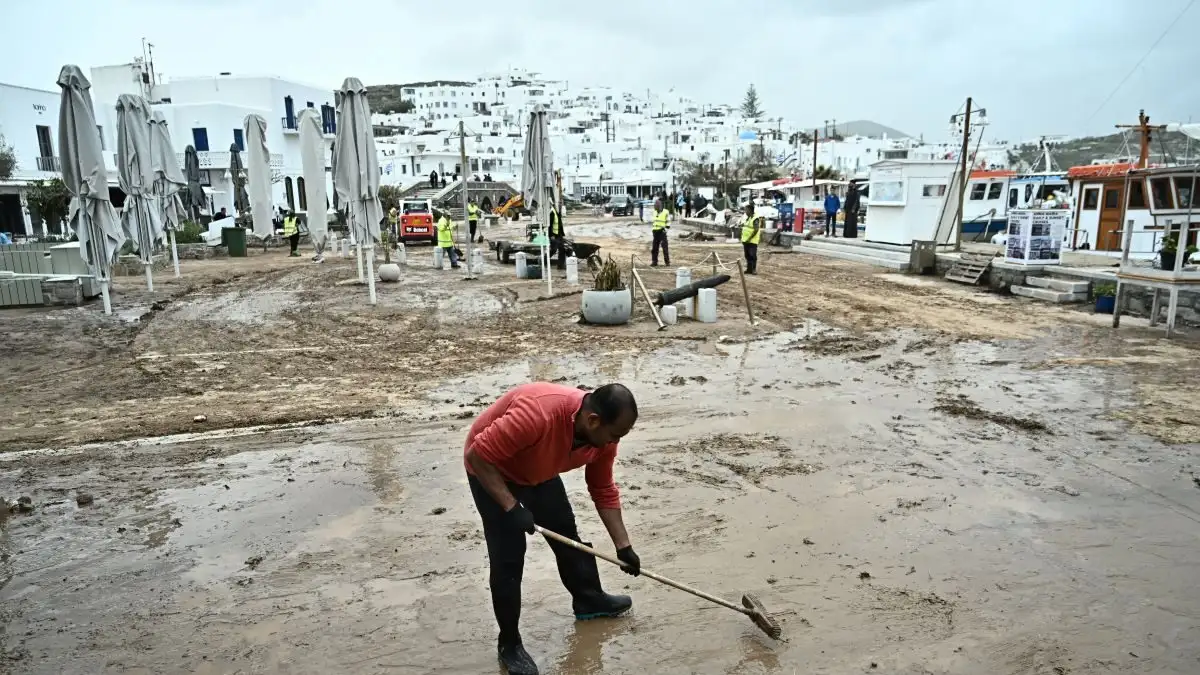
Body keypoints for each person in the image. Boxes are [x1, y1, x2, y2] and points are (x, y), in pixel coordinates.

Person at [465, 382, 641, 675]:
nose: (615, 442)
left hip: (539, 469)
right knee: (508, 558)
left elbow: (602, 488)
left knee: (567, 535)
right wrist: (511, 507)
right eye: (614, 435)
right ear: (593, 420)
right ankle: (510, 643)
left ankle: (589, 600)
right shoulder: (538, 414)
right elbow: (477, 455)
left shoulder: (603, 439)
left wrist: (624, 545)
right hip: (493, 469)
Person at [741, 202, 762, 274]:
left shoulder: (755, 218)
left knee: (752, 255)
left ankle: (753, 269)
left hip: (752, 241)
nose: (745, 212)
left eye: (746, 210)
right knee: (747, 255)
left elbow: (756, 229)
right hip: (745, 240)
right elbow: (747, 227)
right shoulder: (748, 218)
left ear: (750, 210)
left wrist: (749, 238)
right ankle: (749, 269)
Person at [650, 198, 670, 267]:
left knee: (664, 247)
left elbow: (668, 222)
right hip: (655, 232)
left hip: (662, 232)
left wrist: (665, 230)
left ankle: (667, 262)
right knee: (654, 248)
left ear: (659, 205)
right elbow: (654, 222)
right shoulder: (654, 212)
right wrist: (653, 230)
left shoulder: (665, 212)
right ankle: (654, 261)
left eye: (655, 205)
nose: (654, 206)